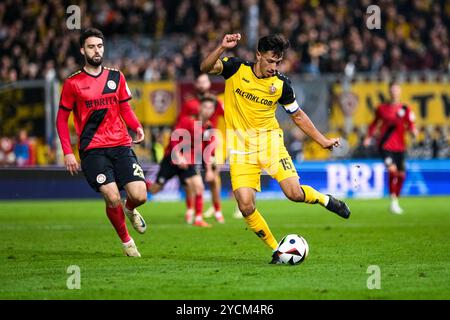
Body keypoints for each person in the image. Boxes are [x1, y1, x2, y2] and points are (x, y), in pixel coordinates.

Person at [200, 33, 351, 263]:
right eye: (270, 61)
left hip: (270, 144)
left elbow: (298, 116)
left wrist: (322, 140)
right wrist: (221, 47)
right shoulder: (236, 68)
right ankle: (276, 250)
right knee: (245, 205)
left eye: (278, 62)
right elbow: (205, 67)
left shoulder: (281, 84)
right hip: (241, 150)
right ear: (258, 55)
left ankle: (324, 199)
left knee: (294, 194)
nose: (274, 66)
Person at [56, 28, 147, 257]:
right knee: (112, 195)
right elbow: (60, 119)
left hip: (120, 144)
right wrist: (67, 152)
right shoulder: (72, 83)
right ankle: (127, 241)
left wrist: (136, 125)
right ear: (82, 50)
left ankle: (130, 209)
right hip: (93, 149)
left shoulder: (116, 76)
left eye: (99, 46)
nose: (96, 51)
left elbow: (125, 107)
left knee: (139, 195)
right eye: (91, 47)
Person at [147, 95, 219, 227]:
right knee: (155, 189)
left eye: (211, 108)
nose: (208, 110)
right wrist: (178, 156)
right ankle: (139, 183)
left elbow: (208, 150)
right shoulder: (187, 120)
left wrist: (209, 170)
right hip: (172, 159)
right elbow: (174, 138)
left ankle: (197, 219)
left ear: (214, 110)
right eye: (205, 107)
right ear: (200, 108)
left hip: (189, 162)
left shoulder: (208, 128)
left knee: (199, 187)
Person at [364, 80, 417, 214]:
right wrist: (368, 137)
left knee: (402, 175)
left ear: (399, 91)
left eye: (396, 90)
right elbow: (374, 124)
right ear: (389, 91)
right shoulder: (382, 108)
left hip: (400, 146)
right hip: (385, 145)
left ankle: (395, 200)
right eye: (392, 90)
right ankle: (393, 202)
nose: (394, 92)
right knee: (392, 171)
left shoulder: (405, 109)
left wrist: (413, 132)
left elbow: (410, 125)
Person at [180, 73, 225, 223]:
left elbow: (227, 117)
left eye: (204, 81)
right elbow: (181, 124)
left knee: (214, 178)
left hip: (209, 145)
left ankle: (217, 209)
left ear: (209, 84)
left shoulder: (216, 102)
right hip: (192, 147)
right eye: (199, 82)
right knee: (190, 181)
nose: (202, 85)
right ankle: (190, 209)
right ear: (196, 85)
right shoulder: (190, 104)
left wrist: (217, 136)